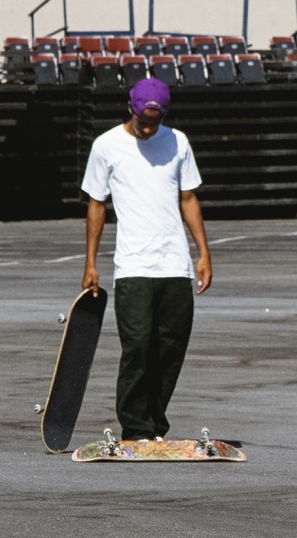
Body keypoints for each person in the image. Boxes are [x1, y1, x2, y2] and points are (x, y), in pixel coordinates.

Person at [80, 77, 214, 442]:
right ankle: (135, 426)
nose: (149, 127)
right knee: (138, 346)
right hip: (133, 267)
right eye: (144, 120)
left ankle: (154, 424)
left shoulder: (178, 141)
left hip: (175, 265)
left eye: (156, 121)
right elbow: (96, 204)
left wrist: (203, 253)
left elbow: (188, 198)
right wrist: (90, 263)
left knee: (171, 347)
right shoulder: (106, 146)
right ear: (131, 109)